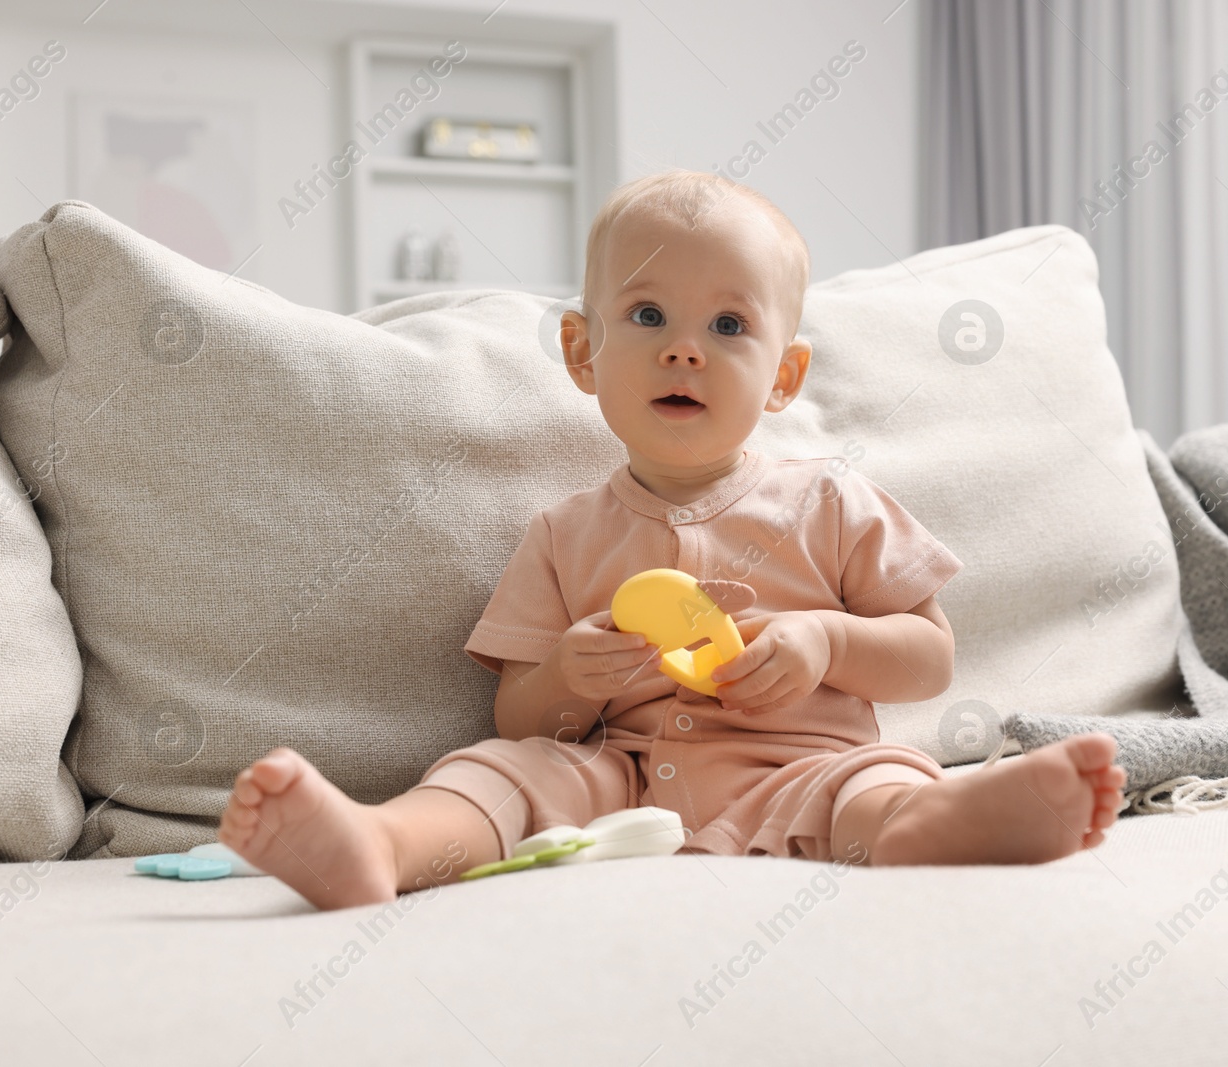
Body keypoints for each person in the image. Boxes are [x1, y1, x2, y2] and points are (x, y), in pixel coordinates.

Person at [218, 170, 1125, 909]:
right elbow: (521, 715)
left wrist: (829, 640)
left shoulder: (831, 498)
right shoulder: (564, 533)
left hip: (798, 766)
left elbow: (929, 659)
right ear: (582, 352)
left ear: (785, 374)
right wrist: (571, 675)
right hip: (617, 775)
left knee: (876, 785)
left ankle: (941, 827)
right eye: (648, 316)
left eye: (729, 327)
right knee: (500, 768)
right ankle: (382, 843)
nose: (684, 350)